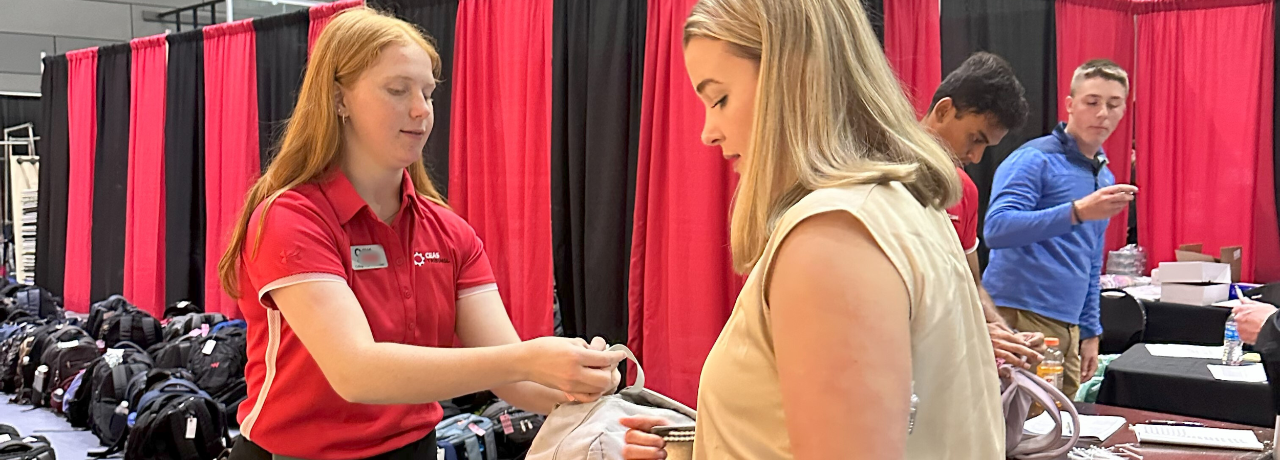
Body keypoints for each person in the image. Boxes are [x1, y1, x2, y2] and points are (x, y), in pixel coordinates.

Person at [217, 8, 624, 460]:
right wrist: (529, 358)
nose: (421, 110)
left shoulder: (449, 232)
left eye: (428, 93)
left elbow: (514, 380)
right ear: (338, 99)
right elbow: (357, 372)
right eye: (397, 90)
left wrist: (595, 395)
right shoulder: (292, 218)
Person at [622, 0, 1003, 458]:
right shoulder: (900, 207)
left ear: (793, 76)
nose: (709, 131)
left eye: (719, 98)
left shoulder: (832, 236)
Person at [983, 58, 1138, 401]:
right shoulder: (1034, 159)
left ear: (1124, 110)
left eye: (1113, 105)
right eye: (1092, 102)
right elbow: (996, 228)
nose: (1102, 114)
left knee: (1058, 424)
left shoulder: (1103, 175)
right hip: (1019, 314)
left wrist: (1091, 331)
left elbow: (1090, 261)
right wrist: (1078, 211)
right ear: (1070, 105)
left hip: (1067, 323)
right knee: (1018, 423)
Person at [922, 51, 1047, 370]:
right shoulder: (880, 179)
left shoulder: (964, 190)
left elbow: (971, 284)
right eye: (974, 139)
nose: (975, 157)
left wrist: (1006, 335)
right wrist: (972, 334)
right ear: (944, 110)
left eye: (985, 147)